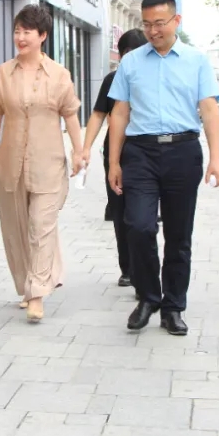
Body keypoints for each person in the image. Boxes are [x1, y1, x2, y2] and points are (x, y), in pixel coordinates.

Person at [107, 0, 219, 336]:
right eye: (147, 24)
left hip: (183, 152)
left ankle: (173, 306)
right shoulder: (131, 62)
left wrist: (216, 158)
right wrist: (114, 162)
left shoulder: (196, 61)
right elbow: (120, 113)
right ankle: (148, 297)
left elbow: (209, 110)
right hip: (140, 153)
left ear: (176, 21)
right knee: (138, 225)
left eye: (159, 23)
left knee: (178, 234)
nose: (153, 31)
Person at [0, 5, 85, 323]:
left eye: (27, 31)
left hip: (48, 163)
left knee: (41, 226)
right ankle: (29, 285)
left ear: (42, 36)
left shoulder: (59, 74)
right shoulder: (3, 74)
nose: (21, 37)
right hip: (11, 163)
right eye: (17, 31)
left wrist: (79, 152)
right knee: (15, 229)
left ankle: (38, 292)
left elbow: (70, 115)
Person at [81, 28, 148, 287]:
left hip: (145, 153)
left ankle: (143, 268)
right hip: (115, 153)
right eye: (125, 53)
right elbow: (98, 114)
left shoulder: (151, 78)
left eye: (135, 53)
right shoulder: (112, 80)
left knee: (141, 217)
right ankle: (127, 268)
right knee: (120, 213)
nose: (129, 58)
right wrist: (85, 148)